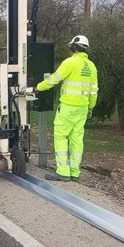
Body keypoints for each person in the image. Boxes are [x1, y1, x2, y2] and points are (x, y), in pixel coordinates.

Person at [32, 35, 98, 182]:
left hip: (68, 107)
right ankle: (74, 172)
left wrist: (37, 88)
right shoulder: (91, 66)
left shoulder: (69, 62)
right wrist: (90, 107)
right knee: (77, 139)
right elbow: (94, 90)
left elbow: (54, 79)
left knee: (61, 137)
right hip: (82, 108)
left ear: (74, 48)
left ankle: (63, 172)